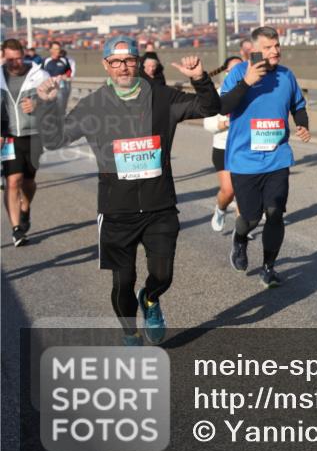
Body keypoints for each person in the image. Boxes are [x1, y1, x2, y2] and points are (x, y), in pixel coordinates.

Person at [37, 35, 220, 345]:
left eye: (129, 60)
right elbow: (54, 139)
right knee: (123, 281)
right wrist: (46, 105)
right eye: (116, 62)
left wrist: (200, 79)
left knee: (162, 276)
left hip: (160, 206)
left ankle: (149, 299)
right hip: (116, 211)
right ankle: (130, 333)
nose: (123, 67)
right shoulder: (93, 104)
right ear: (106, 65)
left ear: (138, 62)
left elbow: (208, 106)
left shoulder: (162, 97)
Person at [220, 26, 310, 288]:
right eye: (268, 47)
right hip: (244, 160)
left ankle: (269, 267)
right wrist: (247, 82)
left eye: (277, 45)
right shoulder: (238, 73)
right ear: (253, 50)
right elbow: (224, 106)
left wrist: (303, 124)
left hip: (277, 157)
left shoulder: (286, 75)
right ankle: (239, 238)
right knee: (250, 217)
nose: (275, 51)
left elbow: (298, 105)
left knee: (274, 212)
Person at [2, 38, 53, 246]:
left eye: (18, 58)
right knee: (12, 181)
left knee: (28, 182)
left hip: (33, 135)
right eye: (10, 59)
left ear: (24, 55)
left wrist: (37, 103)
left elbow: (53, 100)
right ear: (5, 57)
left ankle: (25, 208)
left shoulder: (39, 75)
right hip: (8, 136)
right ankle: (16, 230)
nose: (15, 63)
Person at [204, 56, 243, 232]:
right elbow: (208, 125)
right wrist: (225, 124)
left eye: (241, 67)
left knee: (243, 190)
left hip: (245, 148)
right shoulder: (218, 94)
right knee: (228, 190)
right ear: (226, 72)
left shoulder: (252, 92)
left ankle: (242, 228)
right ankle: (220, 210)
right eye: (233, 69)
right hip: (223, 148)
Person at [42, 40, 76, 112]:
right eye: (56, 49)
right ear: (51, 50)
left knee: (61, 108)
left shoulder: (64, 60)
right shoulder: (45, 61)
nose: (58, 51)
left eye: (59, 49)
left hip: (61, 88)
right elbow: (40, 74)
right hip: (49, 89)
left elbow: (69, 71)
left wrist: (65, 75)